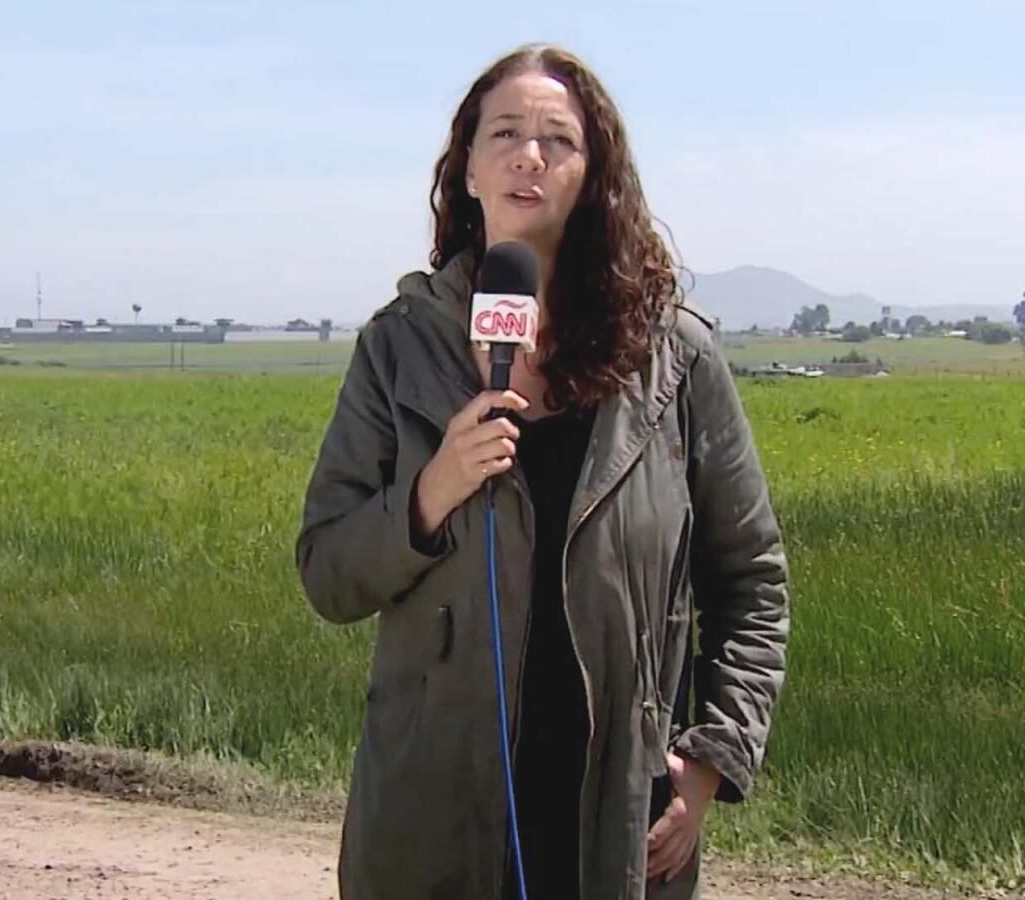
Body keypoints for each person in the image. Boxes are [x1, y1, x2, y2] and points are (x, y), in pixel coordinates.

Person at [295, 43, 790, 900]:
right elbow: (328, 573)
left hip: (619, 818)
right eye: (507, 134)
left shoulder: (674, 357)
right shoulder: (399, 346)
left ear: (594, 175)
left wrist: (711, 758)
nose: (530, 154)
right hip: (433, 820)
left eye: (558, 139)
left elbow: (750, 583)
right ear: (469, 169)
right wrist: (431, 491)